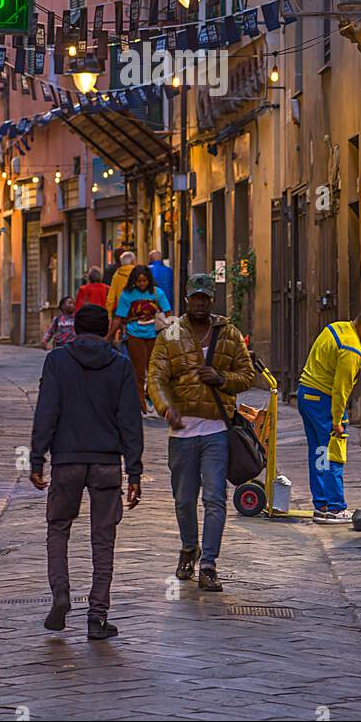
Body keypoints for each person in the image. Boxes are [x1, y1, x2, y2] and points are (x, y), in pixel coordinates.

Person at [29, 303, 143, 641]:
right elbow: (130, 422)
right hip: (107, 463)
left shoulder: (57, 362)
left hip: (67, 460)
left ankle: (61, 593)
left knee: (58, 528)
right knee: (103, 539)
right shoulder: (121, 366)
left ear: (75, 329)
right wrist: (134, 472)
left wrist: (37, 460)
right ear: (107, 328)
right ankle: (97, 616)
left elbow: (46, 412)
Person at [148, 272, 255, 592]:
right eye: (194, 297)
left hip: (216, 430)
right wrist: (166, 408)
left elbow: (247, 375)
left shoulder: (230, 335)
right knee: (183, 500)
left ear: (212, 300)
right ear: (186, 299)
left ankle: (208, 564)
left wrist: (221, 379)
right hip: (181, 434)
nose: (199, 302)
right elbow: (155, 377)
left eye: (204, 298)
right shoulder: (170, 335)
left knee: (214, 498)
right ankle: (187, 548)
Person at [297, 313, 361, 524]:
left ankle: (321, 504)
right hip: (325, 401)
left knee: (319, 451)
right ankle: (336, 507)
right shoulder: (352, 349)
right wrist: (337, 421)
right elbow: (341, 390)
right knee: (334, 453)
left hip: (306, 394)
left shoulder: (335, 328)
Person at [110, 264, 171, 414]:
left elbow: (169, 314)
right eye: (139, 281)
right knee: (138, 371)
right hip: (134, 335)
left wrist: (173, 336)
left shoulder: (158, 293)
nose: (142, 284)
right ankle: (140, 402)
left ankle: (151, 395)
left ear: (149, 280)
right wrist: (109, 336)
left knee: (154, 369)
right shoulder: (127, 294)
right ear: (134, 281)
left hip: (154, 335)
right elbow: (119, 317)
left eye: (144, 281)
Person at [105, 250, 136, 315]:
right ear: (133, 261)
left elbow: (111, 297)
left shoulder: (117, 275)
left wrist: (108, 314)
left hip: (122, 310)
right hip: (137, 308)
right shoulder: (138, 273)